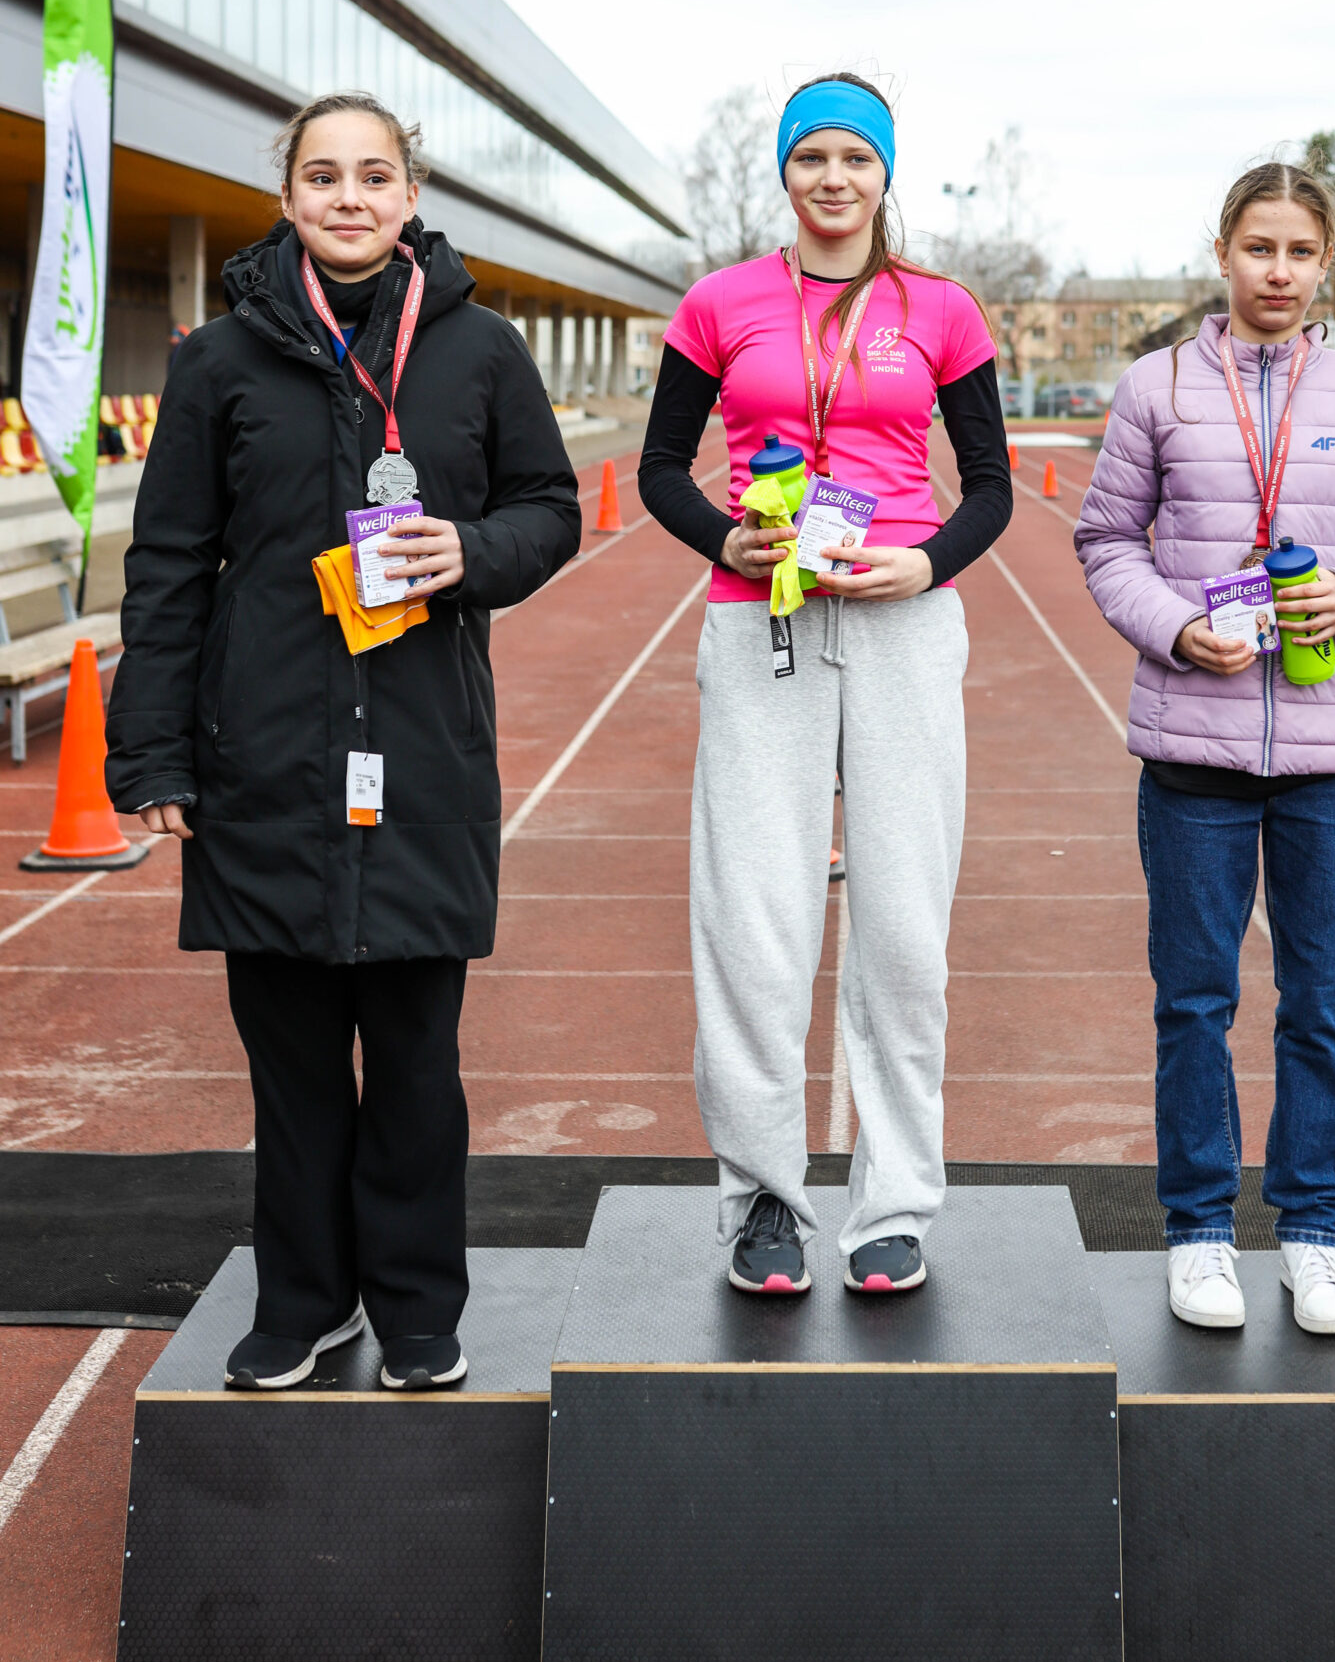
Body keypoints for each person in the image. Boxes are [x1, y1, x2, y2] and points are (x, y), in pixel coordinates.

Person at [105, 94, 579, 1390]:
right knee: (295, 1067)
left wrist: (470, 550)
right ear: (288, 197)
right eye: (324, 176)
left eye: (374, 175)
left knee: (418, 1063)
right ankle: (304, 1300)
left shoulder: (480, 349)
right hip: (265, 755)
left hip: (424, 751)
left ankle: (418, 1304)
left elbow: (550, 508)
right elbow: (167, 564)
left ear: (411, 196)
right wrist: (150, 751)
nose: (350, 197)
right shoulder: (217, 362)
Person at [638, 73, 1012, 1295]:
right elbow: (659, 468)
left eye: (856, 156)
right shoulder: (720, 302)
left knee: (902, 930)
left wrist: (926, 561)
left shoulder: (941, 309)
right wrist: (725, 540)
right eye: (812, 157)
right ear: (785, 172)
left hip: (903, 624)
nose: (834, 177)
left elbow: (992, 486)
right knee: (753, 921)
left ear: (885, 172)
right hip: (763, 624)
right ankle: (761, 1199)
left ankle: (894, 1204)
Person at [1074, 161, 1335, 1336]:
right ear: (1223, 252)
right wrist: (1178, 627)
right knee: (1194, 1001)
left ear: (1327, 264)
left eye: (1300, 252)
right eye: (1259, 247)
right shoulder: (1158, 386)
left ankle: (1314, 1236)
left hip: (1329, 756)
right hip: (1195, 753)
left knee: (1320, 1001)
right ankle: (1198, 1234)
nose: (1278, 271)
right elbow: (1105, 540)